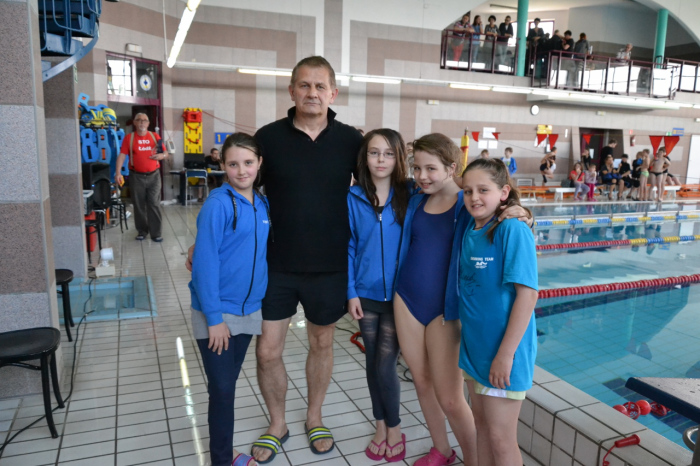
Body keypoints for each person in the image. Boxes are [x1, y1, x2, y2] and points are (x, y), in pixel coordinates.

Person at [188, 56, 363, 463]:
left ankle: (315, 416)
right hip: (276, 265)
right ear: (291, 91)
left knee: (322, 343)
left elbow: (382, 185)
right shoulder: (268, 138)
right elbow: (242, 188)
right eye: (304, 85)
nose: (312, 93)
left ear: (333, 93)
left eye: (320, 86)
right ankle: (278, 423)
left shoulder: (351, 142)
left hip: (330, 265)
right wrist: (206, 240)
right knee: (268, 351)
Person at [393, 133, 531, 466]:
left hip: (446, 309)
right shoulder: (414, 199)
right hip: (407, 298)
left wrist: (523, 211)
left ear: (451, 168)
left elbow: (500, 213)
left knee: (452, 399)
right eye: (417, 168)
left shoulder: (466, 203)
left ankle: (472, 458)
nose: (422, 175)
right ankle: (442, 449)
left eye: (431, 168)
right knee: (421, 382)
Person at [189, 133, 269, 466]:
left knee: (226, 384)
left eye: (248, 162)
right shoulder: (218, 204)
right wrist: (214, 319)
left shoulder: (262, 203)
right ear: (222, 164)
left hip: (250, 309)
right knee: (222, 388)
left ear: (259, 163)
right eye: (233, 164)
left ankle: (224, 451)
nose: (241, 171)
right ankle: (222, 459)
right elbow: (204, 265)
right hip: (217, 311)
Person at [459, 158, 538, 466]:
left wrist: (505, 355)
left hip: (503, 354)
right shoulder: (471, 226)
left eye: (483, 190)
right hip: (474, 349)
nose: (474, 197)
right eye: (468, 191)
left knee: (501, 439)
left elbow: (528, 295)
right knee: (482, 428)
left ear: (503, 192)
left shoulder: (512, 230)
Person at [347, 129, 411, 462]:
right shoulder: (353, 197)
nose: (381, 160)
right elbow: (348, 246)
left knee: (385, 363)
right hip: (366, 292)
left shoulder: (412, 194)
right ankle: (381, 425)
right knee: (372, 362)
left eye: (388, 153)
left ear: (398, 158)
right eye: (374, 153)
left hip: (401, 295)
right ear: (365, 158)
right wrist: (351, 292)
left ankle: (395, 427)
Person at [115, 112, 167, 242]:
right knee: (138, 205)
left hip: (154, 176)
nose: (142, 122)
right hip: (136, 176)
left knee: (154, 203)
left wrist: (162, 156)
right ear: (134, 122)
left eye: (144, 120)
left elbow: (165, 152)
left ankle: (156, 233)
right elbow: (122, 155)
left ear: (148, 123)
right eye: (139, 120)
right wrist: (118, 172)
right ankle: (142, 231)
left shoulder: (155, 136)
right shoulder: (129, 138)